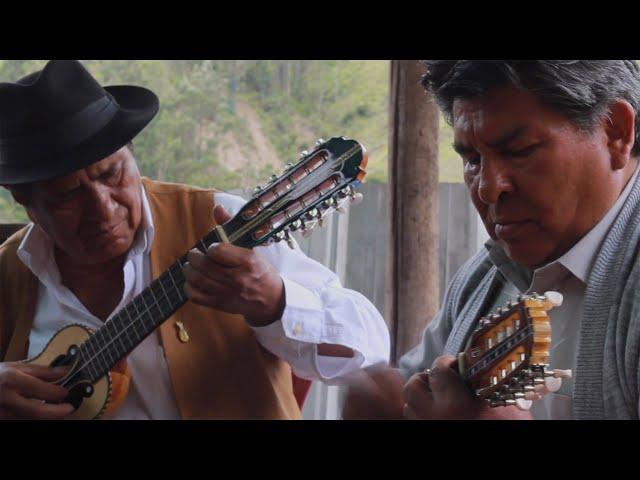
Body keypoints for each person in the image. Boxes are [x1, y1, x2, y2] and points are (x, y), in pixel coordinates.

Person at [0, 59, 390, 420]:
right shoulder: (10, 271)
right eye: (68, 195)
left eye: (111, 175)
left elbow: (369, 350)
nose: (102, 208)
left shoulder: (221, 223)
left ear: (133, 159)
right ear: (26, 202)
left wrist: (275, 301)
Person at [343, 60, 640, 420]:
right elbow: (404, 393)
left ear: (616, 133)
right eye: (471, 160)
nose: (487, 188)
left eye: (520, 151)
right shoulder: (485, 277)